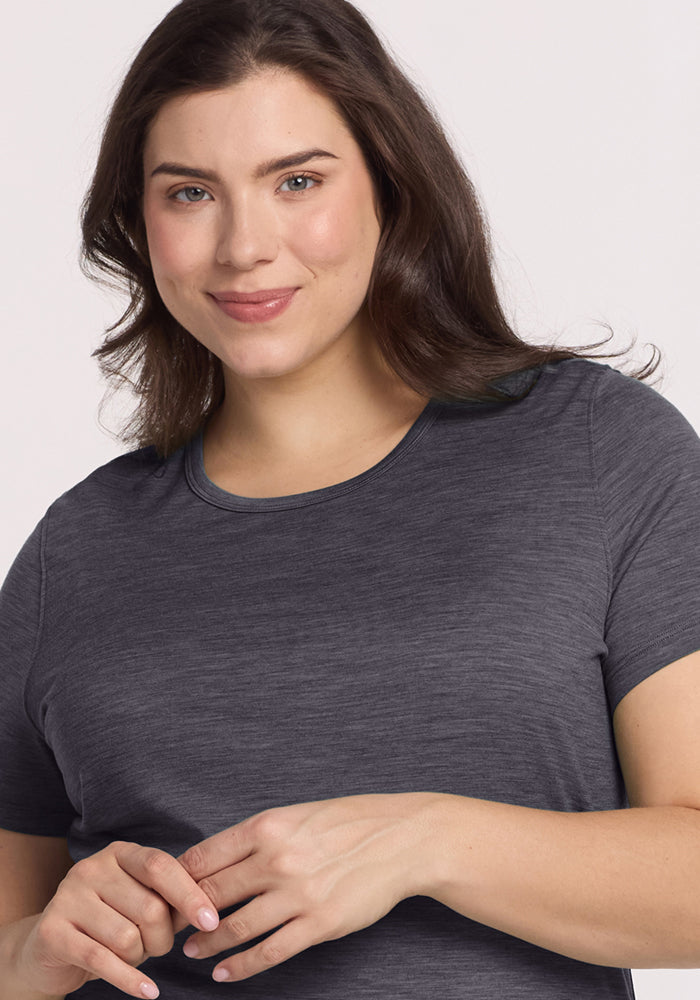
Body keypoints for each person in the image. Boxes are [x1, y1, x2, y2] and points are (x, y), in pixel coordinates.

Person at [1, 0, 699, 997]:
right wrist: (38, 951)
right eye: (190, 191)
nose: (244, 244)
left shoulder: (595, 452)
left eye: (296, 181)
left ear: (390, 185)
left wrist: (428, 840)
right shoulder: (75, 550)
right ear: (136, 221)